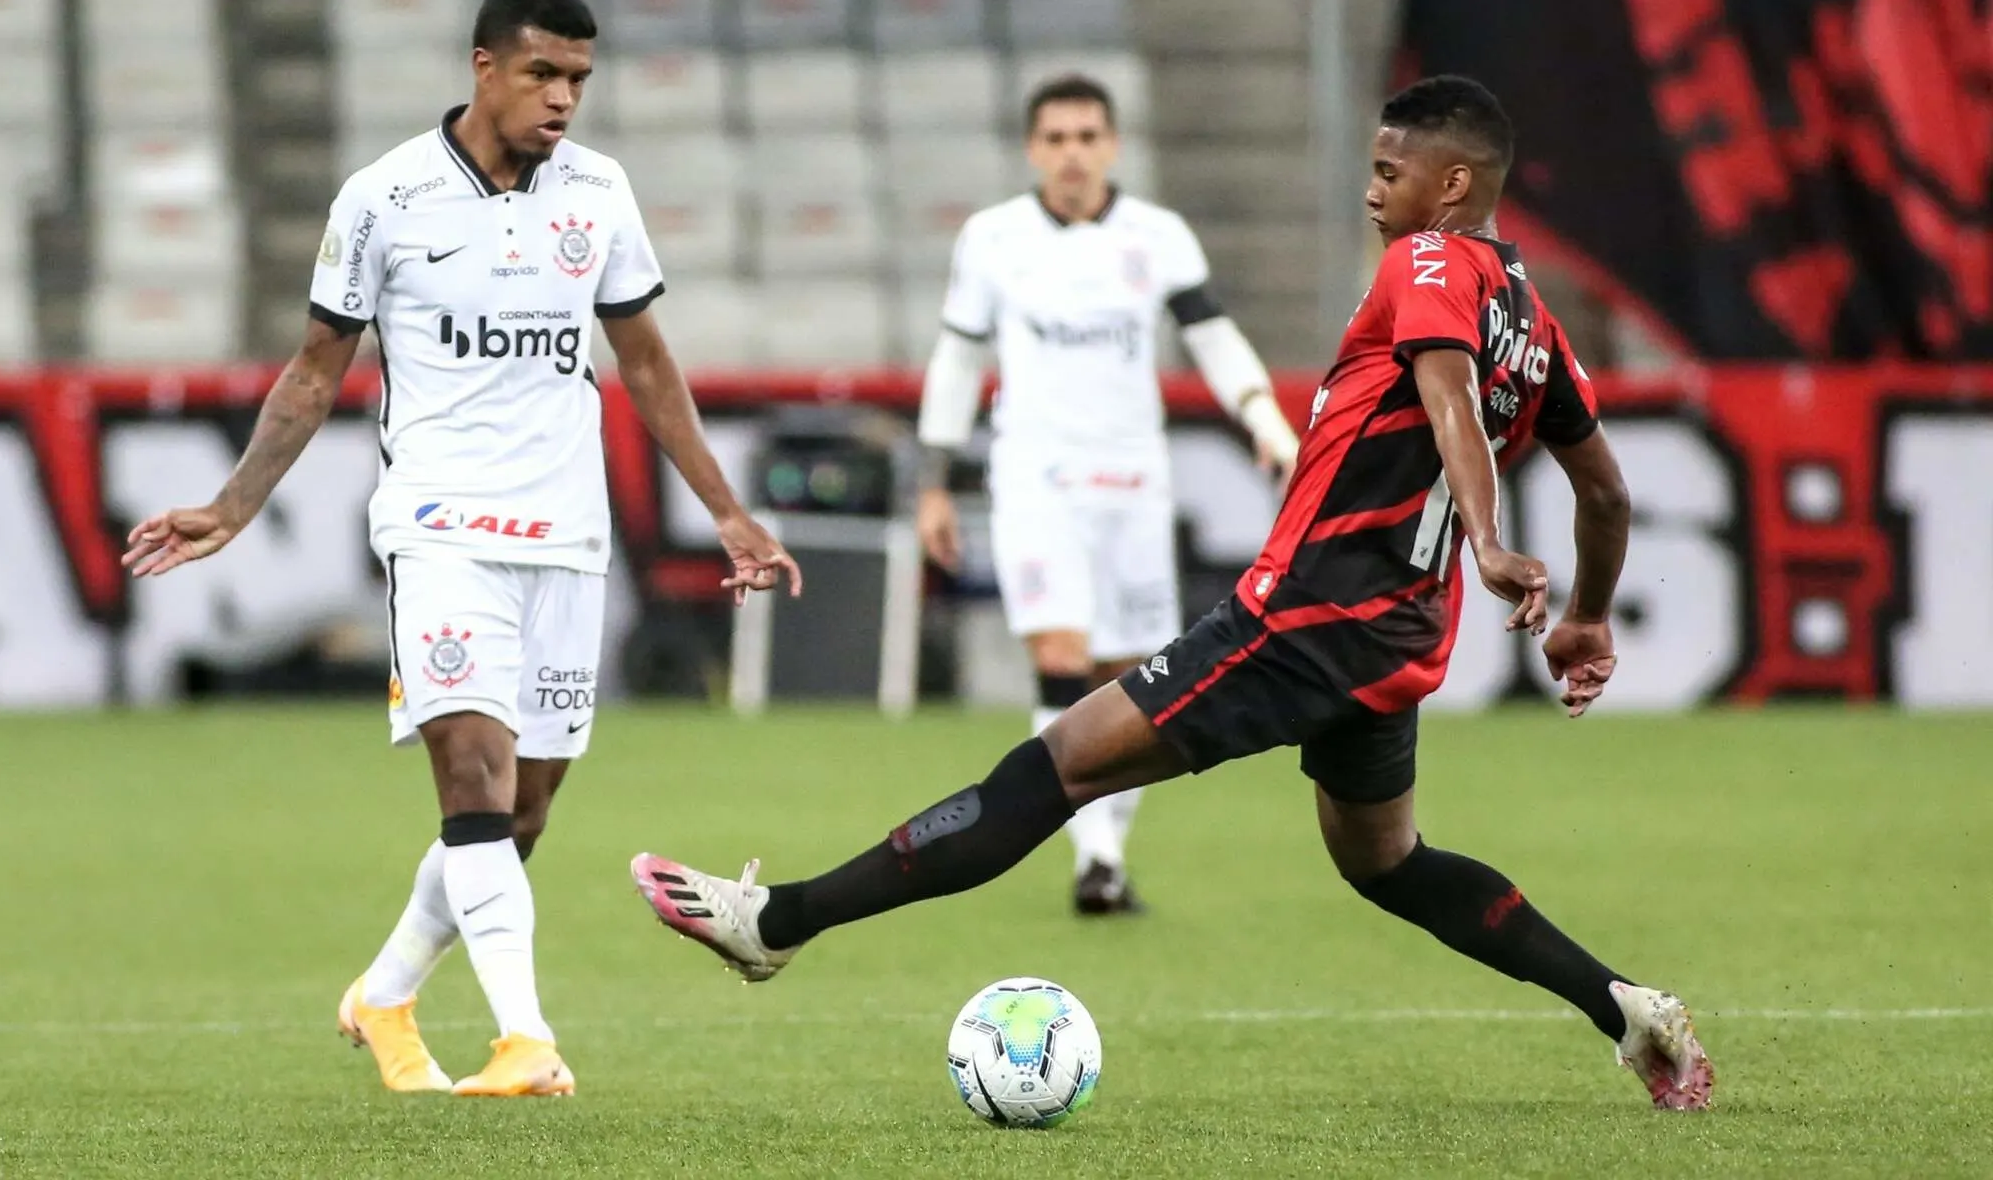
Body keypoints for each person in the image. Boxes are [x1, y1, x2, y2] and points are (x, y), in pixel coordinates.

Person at [629, 75, 1714, 1110]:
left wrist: (1486, 539)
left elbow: (1446, 404)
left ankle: (776, 919)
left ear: (1453, 189)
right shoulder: (1532, 317)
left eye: (1392, 168)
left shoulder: (1427, 263)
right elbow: (1605, 491)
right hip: (1392, 641)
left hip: (1302, 617)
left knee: (1052, 765)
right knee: (1387, 860)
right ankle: (1620, 1004)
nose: (1372, 186)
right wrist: (1584, 614)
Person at [123, 0, 800, 1098]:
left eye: (579, 78)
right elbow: (313, 371)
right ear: (482, 66)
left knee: (521, 809)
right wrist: (233, 505)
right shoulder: (382, 199)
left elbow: (642, 360)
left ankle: (384, 993)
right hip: (441, 529)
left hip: (566, 538)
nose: (563, 99)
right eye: (543, 73)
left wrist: (726, 512)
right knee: (473, 776)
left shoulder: (598, 192)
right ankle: (524, 1036)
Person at [913, 73, 1299, 915]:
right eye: (1055, 139)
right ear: (1032, 149)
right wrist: (933, 480)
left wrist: (1266, 420)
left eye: (1088, 137)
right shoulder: (993, 238)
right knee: (1060, 657)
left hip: (1133, 479)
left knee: (1129, 680)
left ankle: (1109, 853)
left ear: (1113, 145)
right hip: (1035, 476)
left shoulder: (1157, 237)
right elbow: (957, 359)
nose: (1072, 154)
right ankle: (1091, 859)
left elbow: (1213, 336)